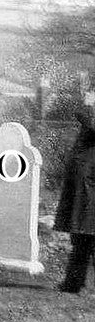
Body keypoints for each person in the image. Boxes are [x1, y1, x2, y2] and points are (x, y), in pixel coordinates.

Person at [56, 85, 95, 292]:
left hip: (90, 180)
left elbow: (88, 121)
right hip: (86, 179)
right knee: (82, 236)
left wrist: (89, 104)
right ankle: (73, 283)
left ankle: (73, 283)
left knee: (85, 233)